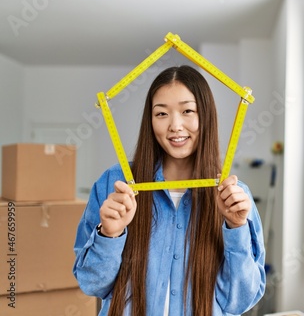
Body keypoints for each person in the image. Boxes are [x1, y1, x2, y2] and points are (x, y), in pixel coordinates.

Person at [73, 65, 266, 316]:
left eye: (187, 111)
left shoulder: (234, 197)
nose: (175, 126)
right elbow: (91, 284)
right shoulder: (115, 183)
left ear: (205, 115)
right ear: (150, 120)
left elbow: (240, 301)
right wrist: (110, 234)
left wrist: (236, 228)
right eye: (161, 114)